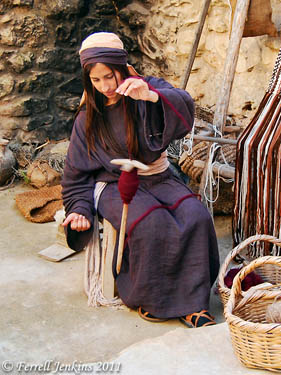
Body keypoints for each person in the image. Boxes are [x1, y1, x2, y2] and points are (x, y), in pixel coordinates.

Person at [61, 32, 220, 328]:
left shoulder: (148, 87)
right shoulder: (87, 118)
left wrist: (150, 95)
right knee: (152, 222)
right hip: (114, 184)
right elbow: (75, 174)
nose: (105, 86)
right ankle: (153, 298)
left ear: (121, 67)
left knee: (196, 216)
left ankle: (194, 302)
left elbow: (184, 105)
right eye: (96, 81)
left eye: (109, 76)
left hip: (158, 176)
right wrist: (79, 209)